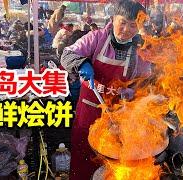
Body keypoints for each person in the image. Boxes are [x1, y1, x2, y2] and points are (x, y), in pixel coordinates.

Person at [60, 0, 151, 179]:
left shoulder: (139, 48)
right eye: (122, 22)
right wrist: (82, 64)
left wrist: (134, 90)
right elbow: (67, 54)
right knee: (83, 154)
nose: (126, 30)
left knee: (114, 160)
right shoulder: (96, 37)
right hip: (89, 108)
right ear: (113, 19)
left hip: (118, 114)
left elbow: (144, 80)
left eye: (133, 25)